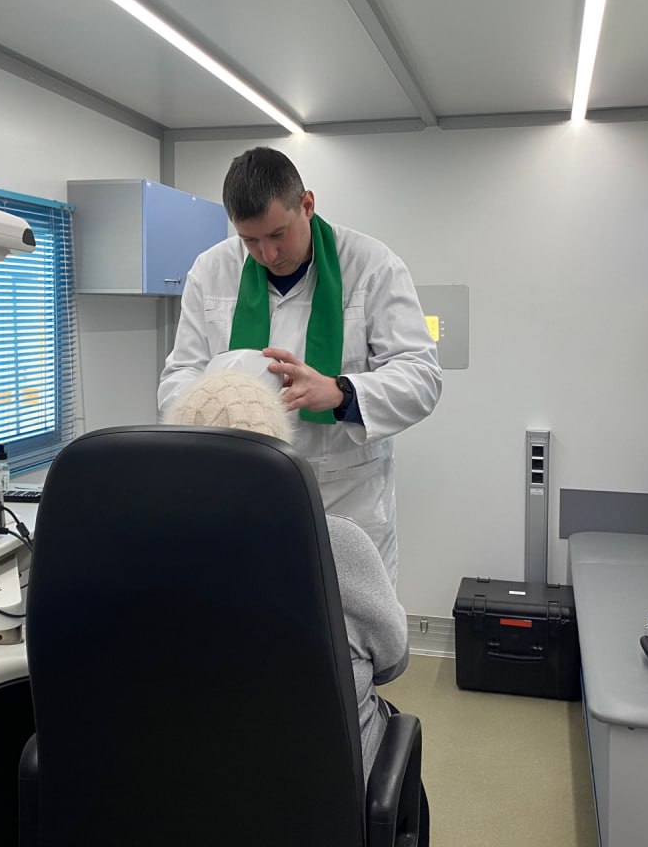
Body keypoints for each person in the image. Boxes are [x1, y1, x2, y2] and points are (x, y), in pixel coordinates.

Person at [157, 147, 442, 584]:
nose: (268, 254)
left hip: (346, 497)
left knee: (347, 620)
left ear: (306, 204)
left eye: (278, 234)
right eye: (250, 240)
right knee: (250, 614)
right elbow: (181, 374)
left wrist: (340, 393)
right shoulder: (211, 270)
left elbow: (421, 376)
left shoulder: (371, 265)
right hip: (239, 490)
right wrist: (210, 406)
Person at [166, 369, 410, 780]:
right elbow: (393, 661)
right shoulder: (335, 544)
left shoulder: (141, 547)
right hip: (319, 788)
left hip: (174, 781)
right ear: (278, 454)